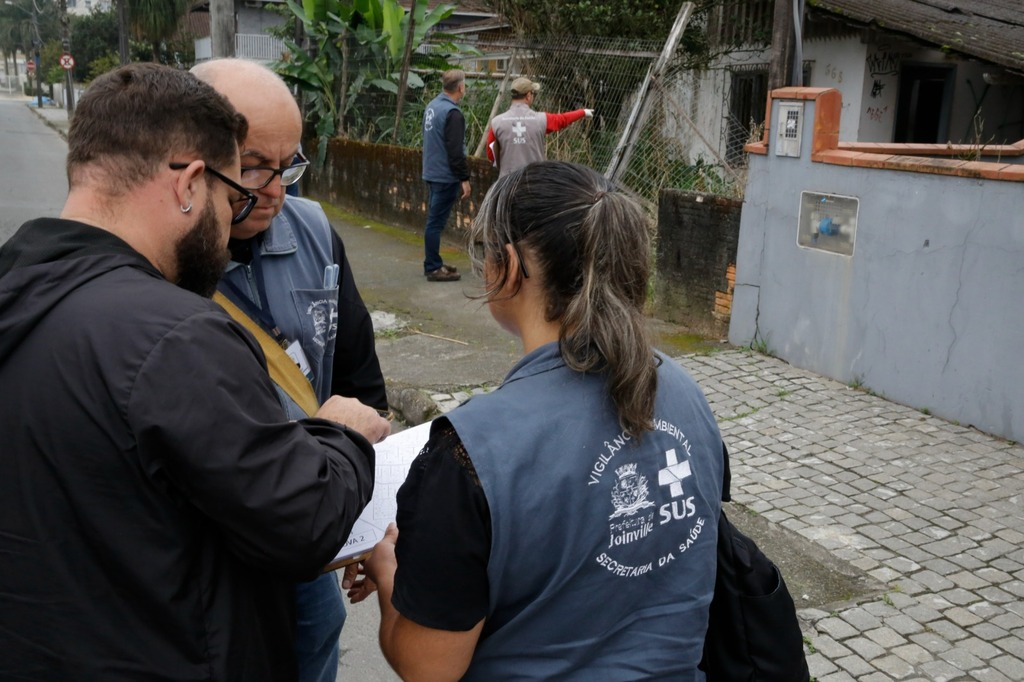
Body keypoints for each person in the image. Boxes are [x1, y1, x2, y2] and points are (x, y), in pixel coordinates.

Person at [0, 63, 390, 681]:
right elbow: (302, 519)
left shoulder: (23, 288)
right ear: (189, 183)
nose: (258, 202)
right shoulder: (176, 334)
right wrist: (340, 434)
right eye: (235, 190)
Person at [351, 161, 726, 680]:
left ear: (505, 265)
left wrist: (388, 571)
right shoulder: (684, 390)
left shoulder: (471, 451)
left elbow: (427, 666)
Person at [192, 58, 388, 682]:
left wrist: (365, 522)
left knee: (313, 638)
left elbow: (360, 382)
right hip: (215, 546)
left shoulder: (313, 231)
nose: (276, 189)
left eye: (290, 165)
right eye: (252, 167)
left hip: (309, 526)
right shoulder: (162, 258)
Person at [485, 77, 593, 177]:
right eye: (533, 94)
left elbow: (490, 155)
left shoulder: (496, 123)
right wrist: (582, 112)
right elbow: (562, 120)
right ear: (528, 96)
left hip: (507, 182)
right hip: (535, 180)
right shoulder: (541, 120)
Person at [421, 69, 470, 282]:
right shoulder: (453, 113)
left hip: (432, 171)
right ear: (460, 87)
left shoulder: (433, 107)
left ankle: (435, 262)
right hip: (444, 175)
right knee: (435, 223)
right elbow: (455, 150)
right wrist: (464, 178)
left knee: (434, 220)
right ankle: (432, 267)